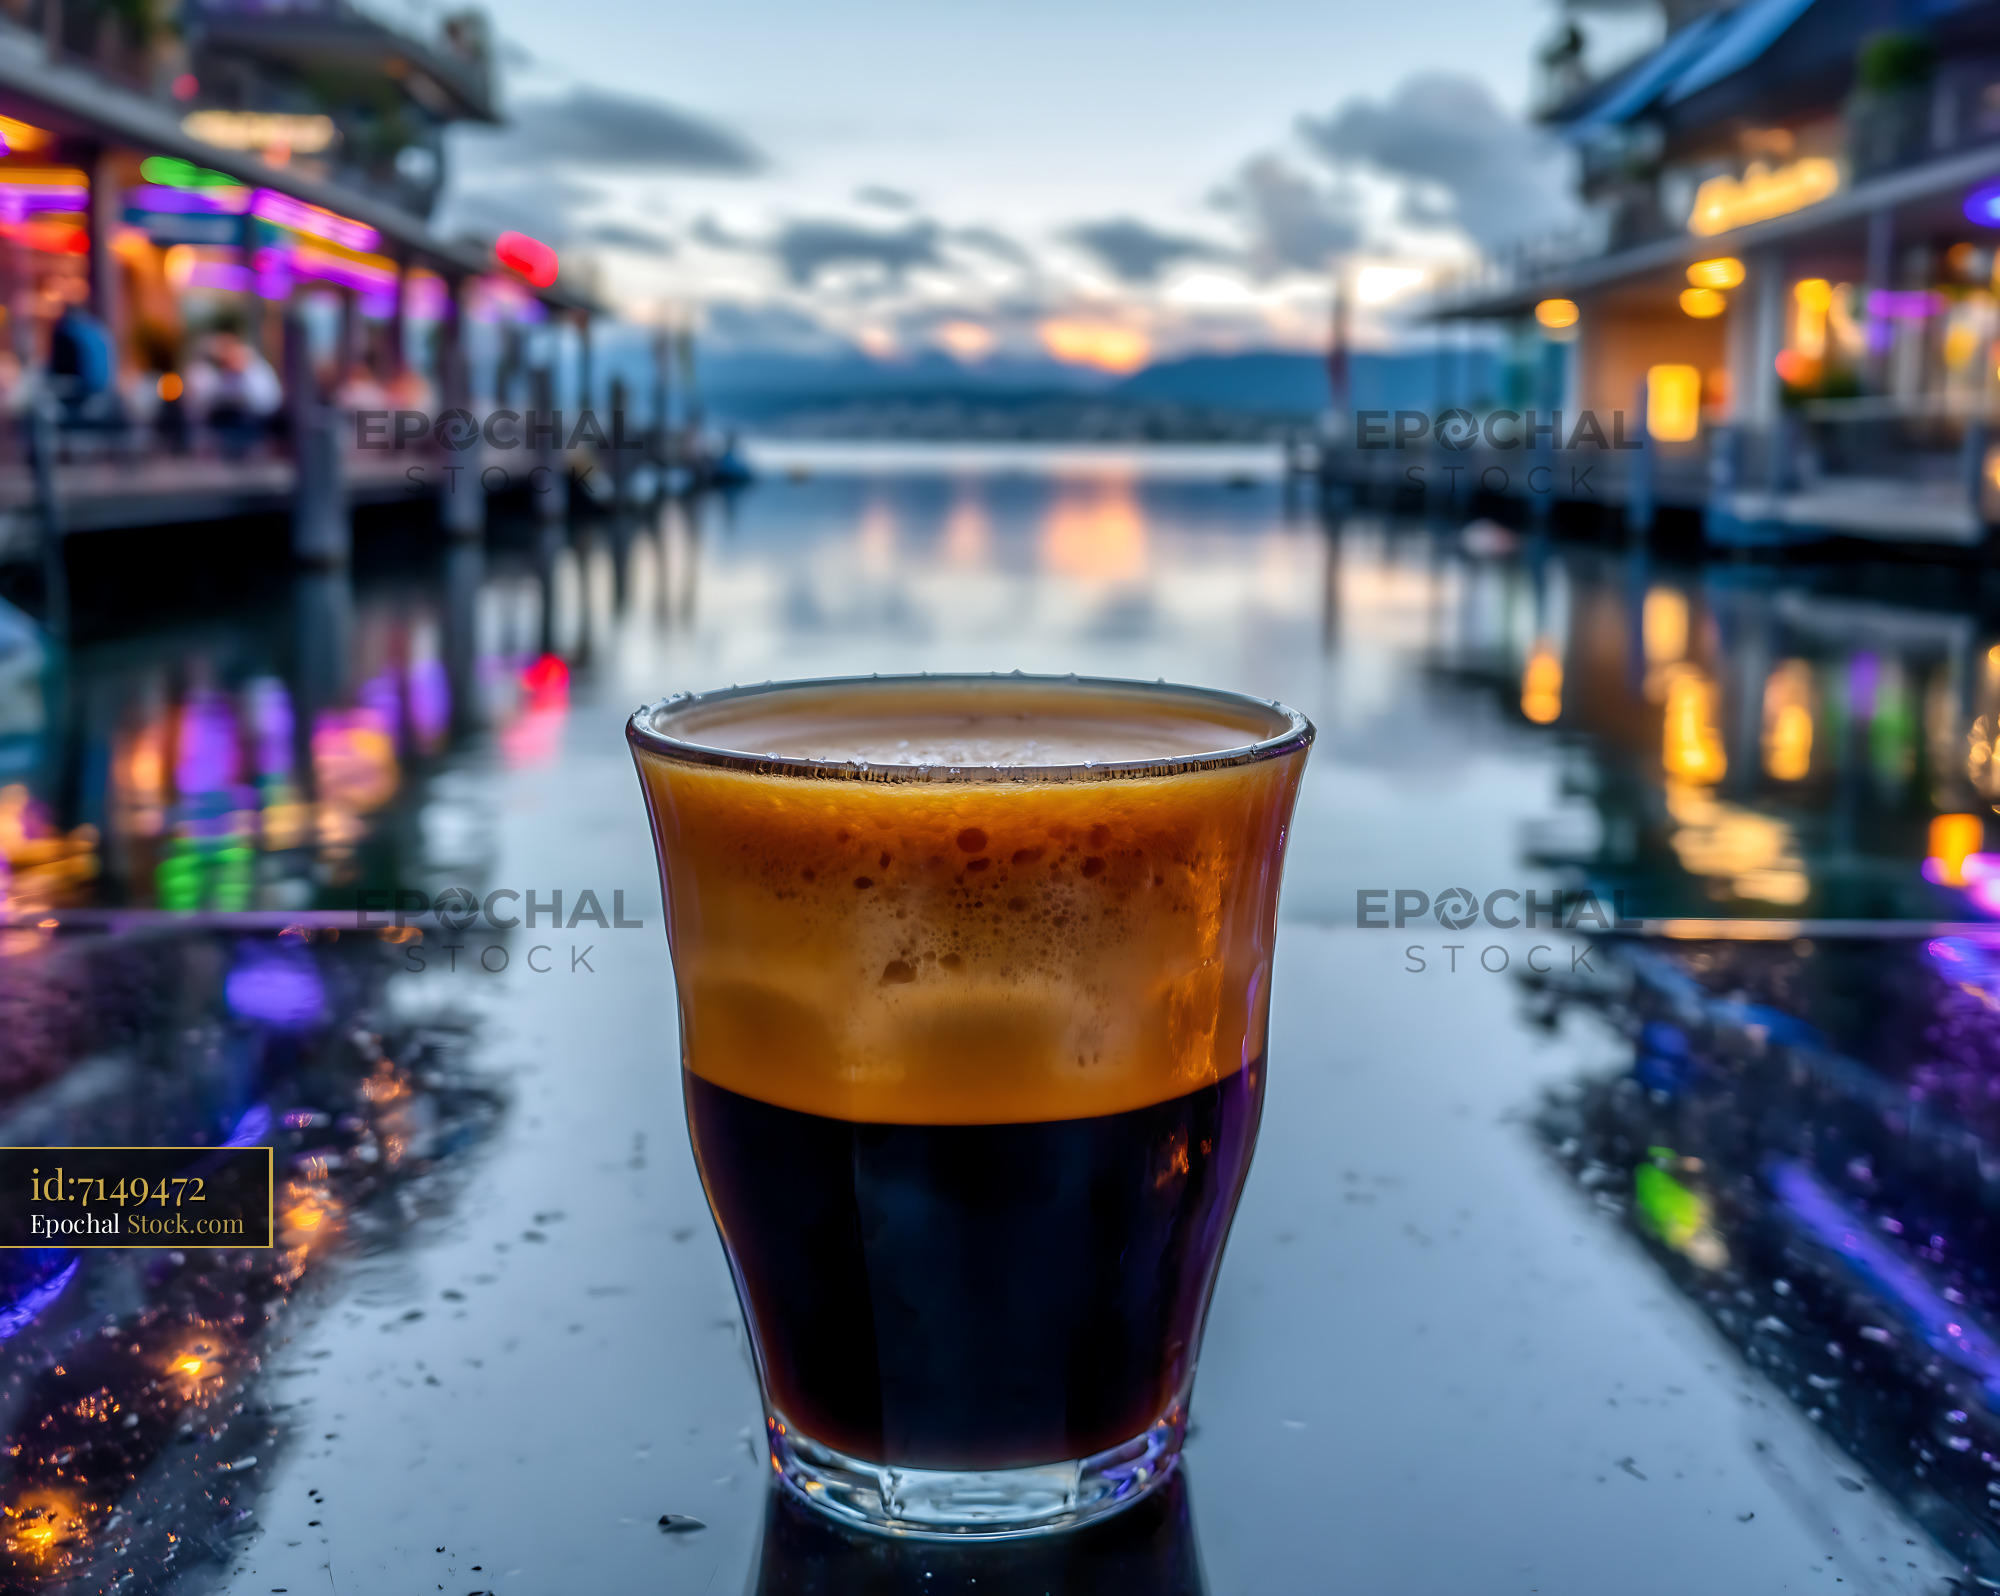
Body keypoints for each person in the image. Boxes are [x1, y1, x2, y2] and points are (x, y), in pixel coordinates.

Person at [185, 319, 282, 457]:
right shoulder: (226, 372)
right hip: (240, 423)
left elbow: (263, 402)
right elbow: (210, 398)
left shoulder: (252, 369)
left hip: (257, 423)